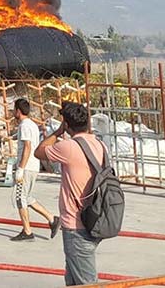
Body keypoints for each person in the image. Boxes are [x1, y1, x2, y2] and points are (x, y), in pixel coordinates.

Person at [34, 101, 106, 285]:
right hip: (95, 218)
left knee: (86, 282)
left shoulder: (68, 147)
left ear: (66, 124)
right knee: (74, 279)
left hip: (76, 224)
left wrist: (58, 132)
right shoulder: (100, 145)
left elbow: (39, 151)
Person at [8, 98, 60, 241]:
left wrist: (20, 168)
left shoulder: (24, 126)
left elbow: (27, 147)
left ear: (18, 111)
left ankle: (27, 231)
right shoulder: (31, 125)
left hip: (26, 167)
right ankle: (52, 219)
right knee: (27, 197)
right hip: (33, 166)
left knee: (20, 198)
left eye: (14, 109)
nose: (13, 112)